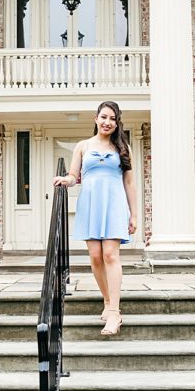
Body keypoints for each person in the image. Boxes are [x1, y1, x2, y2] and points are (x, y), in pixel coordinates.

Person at [53, 101, 137, 336]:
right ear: (96, 118)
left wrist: (134, 214)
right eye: (104, 117)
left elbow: (129, 183)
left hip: (114, 204)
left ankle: (114, 313)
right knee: (96, 256)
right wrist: (65, 180)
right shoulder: (83, 146)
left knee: (110, 254)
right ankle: (108, 300)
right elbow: (73, 176)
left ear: (117, 122)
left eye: (112, 118)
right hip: (90, 204)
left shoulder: (123, 148)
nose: (107, 122)